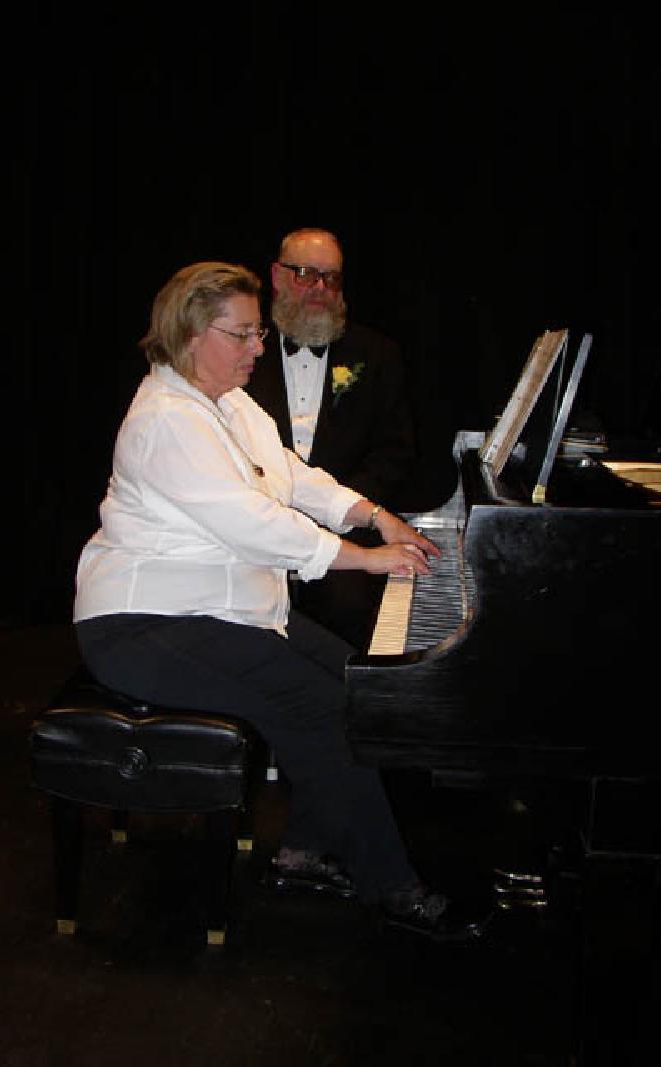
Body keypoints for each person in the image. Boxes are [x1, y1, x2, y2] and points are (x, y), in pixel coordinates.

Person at [72, 261, 484, 943]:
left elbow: (291, 476)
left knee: (357, 682)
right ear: (192, 333)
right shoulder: (166, 419)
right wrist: (359, 555)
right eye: (243, 335)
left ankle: (303, 849)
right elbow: (252, 522)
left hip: (220, 609)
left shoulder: (227, 401)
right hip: (142, 623)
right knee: (317, 703)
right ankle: (394, 887)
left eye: (259, 333)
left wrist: (375, 514)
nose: (258, 348)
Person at [246, 227, 417, 651]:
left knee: (353, 612)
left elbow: (393, 452)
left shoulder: (377, 353)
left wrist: (342, 514)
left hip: (344, 530)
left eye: (332, 277)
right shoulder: (240, 352)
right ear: (277, 275)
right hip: (251, 530)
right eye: (306, 274)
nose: (321, 288)